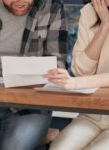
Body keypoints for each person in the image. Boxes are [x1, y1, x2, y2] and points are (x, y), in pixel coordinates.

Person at [0, 0, 68, 150]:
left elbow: (58, 62)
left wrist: (55, 74)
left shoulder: (52, 7)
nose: (20, 1)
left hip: (31, 105)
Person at [45, 0, 109, 149]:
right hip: (93, 114)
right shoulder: (90, 11)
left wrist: (75, 83)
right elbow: (81, 70)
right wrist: (105, 25)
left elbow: (78, 79)